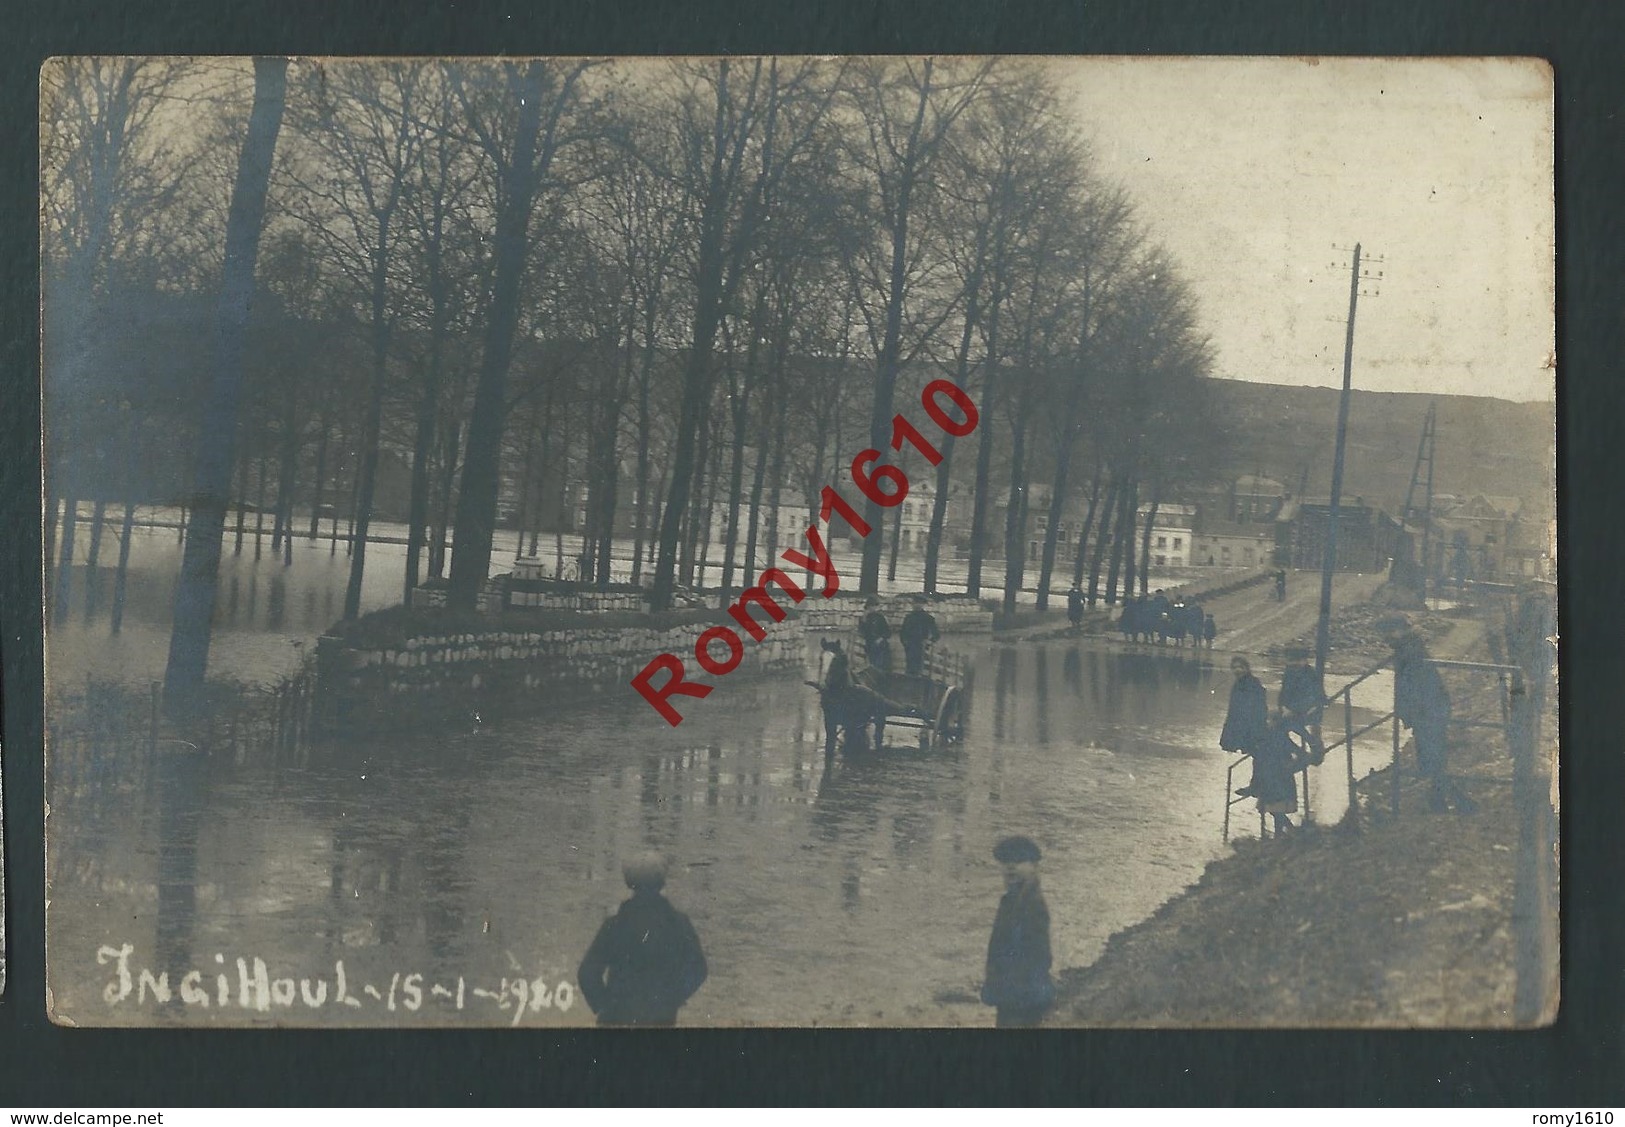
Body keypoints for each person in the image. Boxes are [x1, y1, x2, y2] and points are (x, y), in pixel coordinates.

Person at [578, 851, 708, 1026]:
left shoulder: (615, 924)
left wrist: (603, 1005)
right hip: (661, 1017)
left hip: (618, 1017)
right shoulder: (678, 922)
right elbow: (698, 969)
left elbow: (587, 972)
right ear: (662, 882)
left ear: (629, 882)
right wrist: (674, 997)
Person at [1383, 616, 1477, 814]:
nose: (1387, 638)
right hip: (1428, 709)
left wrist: (1409, 713)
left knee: (1432, 758)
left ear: (1400, 631)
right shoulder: (1408, 647)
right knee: (1432, 759)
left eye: (1389, 632)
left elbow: (1413, 685)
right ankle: (1443, 800)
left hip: (1428, 710)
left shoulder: (1410, 651)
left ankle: (1453, 802)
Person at [981, 835, 1054, 1028]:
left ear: (1034, 866)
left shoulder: (1032, 905)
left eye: (1019, 860)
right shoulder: (1012, 900)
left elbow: (1039, 955)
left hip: (1021, 997)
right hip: (1011, 993)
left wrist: (1018, 993)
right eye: (1005, 862)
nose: (1010, 867)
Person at [1279, 644, 1327, 765]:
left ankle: (1313, 744)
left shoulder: (1309, 674)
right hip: (1293, 711)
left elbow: (1313, 697)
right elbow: (1283, 694)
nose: (1294, 663)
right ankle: (1299, 753)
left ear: (1305, 661)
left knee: (1285, 724)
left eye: (1298, 660)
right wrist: (1283, 707)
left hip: (1310, 709)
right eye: (1291, 660)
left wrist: (1293, 710)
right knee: (1272, 725)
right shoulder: (1288, 673)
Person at [1220, 656, 1268, 760]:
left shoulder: (1254, 683)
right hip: (1241, 725)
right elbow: (1232, 710)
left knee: (1258, 755)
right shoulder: (1237, 684)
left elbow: (1258, 708)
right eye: (1235, 668)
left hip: (1252, 727)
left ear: (1246, 668)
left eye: (1241, 667)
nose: (1238, 670)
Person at [899, 596, 941, 677]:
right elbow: (902, 633)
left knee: (922, 670)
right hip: (910, 647)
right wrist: (905, 643)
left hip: (922, 647)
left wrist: (929, 642)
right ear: (912, 605)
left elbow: (936, 635)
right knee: (910, 669)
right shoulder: (908, 618)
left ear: (923, 605)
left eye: (919, 603)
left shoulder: (928, 618)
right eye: (915, 603)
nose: (917, 605)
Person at [858, 597, 893, 671]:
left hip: (880, 645)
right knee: (872, 664)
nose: (871, 608)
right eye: (869, 607)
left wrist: (880, 638)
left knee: (879, 664)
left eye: (873, 606)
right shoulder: (864, 618)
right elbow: (861, 631)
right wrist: (864, 618)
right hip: (870, 643)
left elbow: (888, 632)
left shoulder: (880, 617)